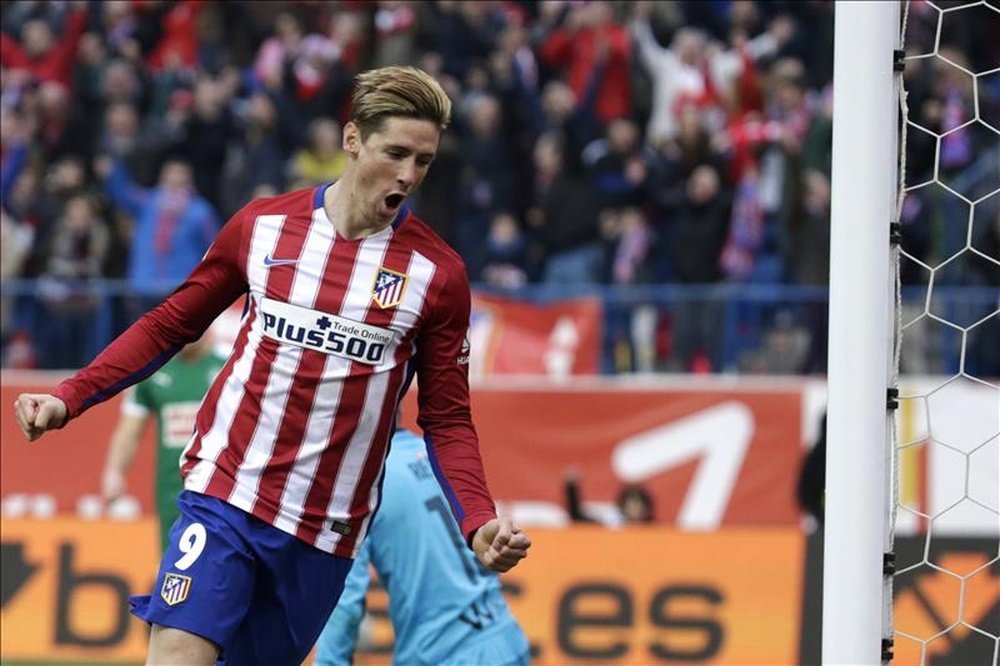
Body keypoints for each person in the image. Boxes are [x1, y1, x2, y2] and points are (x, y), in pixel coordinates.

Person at [13, 65, 531, 666]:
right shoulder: (264, 227)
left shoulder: (437, 276)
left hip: (322, 535)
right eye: (396, 153)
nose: (408, 175)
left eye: (424, 161)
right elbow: (170, 324)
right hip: (226, 493)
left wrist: (477, 519)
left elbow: (447, 419)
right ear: (352, 139)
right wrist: (71, 395)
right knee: (176, 654)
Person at [315, 427, 531, 666]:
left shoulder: (361, 482)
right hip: (506, 639)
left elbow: (345, 603)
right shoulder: (436, 455)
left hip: (441, 654)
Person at [101, 334, 226, 552]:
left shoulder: (229, 363)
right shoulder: (153, 372)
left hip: (219, 492)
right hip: (171, 494)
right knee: (171, 571)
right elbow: (130, 431)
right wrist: (114, 472)